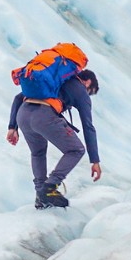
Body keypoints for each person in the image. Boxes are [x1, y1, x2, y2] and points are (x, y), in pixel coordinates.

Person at [6, 69, 101, 208]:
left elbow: (18, 98)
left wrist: (12, 127)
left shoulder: (57, 79)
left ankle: (40, 197)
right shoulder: (80, 89)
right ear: (87, 82)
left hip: (23, 115)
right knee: (76, 150)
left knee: (38, 152)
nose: (88, 95)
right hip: (44, 116)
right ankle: (50, 187)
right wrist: (95, 160)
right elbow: (88, 127)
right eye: (90, 91)